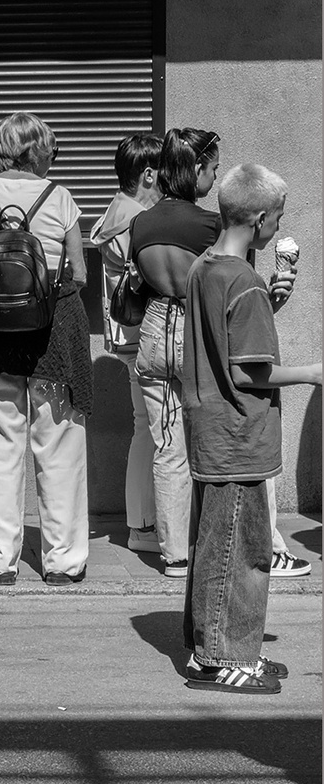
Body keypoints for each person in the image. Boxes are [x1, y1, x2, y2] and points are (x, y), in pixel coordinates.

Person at [178, 164, 319, 693]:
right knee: (244, 551)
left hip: (211, 429)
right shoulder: (245, 282)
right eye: (278, 217)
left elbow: (226, 342)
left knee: (215, 545)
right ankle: (226, 658)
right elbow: (248, 370)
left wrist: (269, 301)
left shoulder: (205, 267)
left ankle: (210, 649)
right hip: (240, 435)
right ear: (260, 220)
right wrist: (310, 373)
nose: (277, 225)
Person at [0, 113, 91, 587]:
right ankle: (64, 561)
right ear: (38, 149)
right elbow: (77, 273)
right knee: (59, 446)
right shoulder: (60, 197)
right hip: (52, 335)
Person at [127, 128, 222, 578]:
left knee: (167, 447)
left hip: (153, 331)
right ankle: (210, 541)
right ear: (196, 169)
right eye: (213, 167)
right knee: (209, 444)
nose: (215, 176)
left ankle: (174, 555)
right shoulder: (209, 226)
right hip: (195, 332)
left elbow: (140, 283)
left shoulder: (141, 223)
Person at [91, 134, 163, 557]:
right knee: (151, 433)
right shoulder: (136, 218)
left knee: (145, 429)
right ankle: (143, 525)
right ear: (149, 174)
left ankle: (143, 522)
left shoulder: (114, 210)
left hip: (123, 336)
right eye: (164, 176)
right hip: (142, 337)